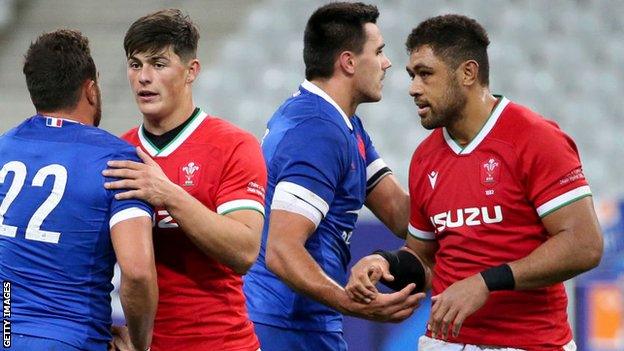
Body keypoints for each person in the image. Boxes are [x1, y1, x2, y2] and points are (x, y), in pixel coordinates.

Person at [347, 14, 604, 351]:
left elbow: (584, 244)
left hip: (529, 343)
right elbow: (426, 260)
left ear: (467, 73)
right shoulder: (425, 158)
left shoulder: (535, 138)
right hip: (444, 343)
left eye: (425, 74)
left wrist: (487, 282)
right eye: (412, 76)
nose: (413, 88)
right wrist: (385, 262)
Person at [243, 2, 424, 350]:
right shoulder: (317, 130)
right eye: (380, 52)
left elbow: (401, 214)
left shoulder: (342, 122)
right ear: (349, 62)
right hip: (285, 325)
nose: (387, 64)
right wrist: (348, 301)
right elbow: (281, 250)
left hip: (306, 321)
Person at [102, 9, 267, 351]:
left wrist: (169, 195)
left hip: (222, 344)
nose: (143, 78)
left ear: (192, 71)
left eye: (158, 64)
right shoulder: (116, 153)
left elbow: (244, 251)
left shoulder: (234, 145)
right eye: (135, 65)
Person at [0, 29, 157, 351]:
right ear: (91, 89)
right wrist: (140, 343)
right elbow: (137, 272)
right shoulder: (118, 161)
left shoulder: (3, 149)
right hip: (70, 337)